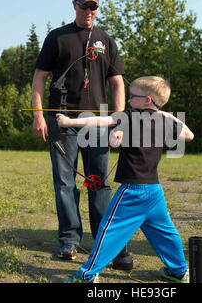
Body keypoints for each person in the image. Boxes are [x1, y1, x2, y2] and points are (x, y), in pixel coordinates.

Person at [31, 0, 133, 269]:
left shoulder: (107, 41)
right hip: (62, 120)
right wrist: (39, 115)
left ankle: (104, 238)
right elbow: (40, 76)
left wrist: (119, 118)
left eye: (93, 7)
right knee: (64, 182)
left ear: (97, 8)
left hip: (98, 122)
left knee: (98, 182)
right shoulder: (57, 38)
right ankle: (69, 239)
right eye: (84, 5)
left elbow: (117, 82)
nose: (89, 11)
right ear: (73, 5)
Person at [56, 76, 194, 283]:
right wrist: (166, 114)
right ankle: (179, 271)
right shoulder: (163, 119)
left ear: (148, 100)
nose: (128, 100)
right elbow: (189, 135)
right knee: (164, 232)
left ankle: (87, 275)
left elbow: (99, 120)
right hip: (154, 191)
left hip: (133, 191)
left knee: (108, 230)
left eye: (132, 96)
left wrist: (69, 121)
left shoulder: (130, 116)